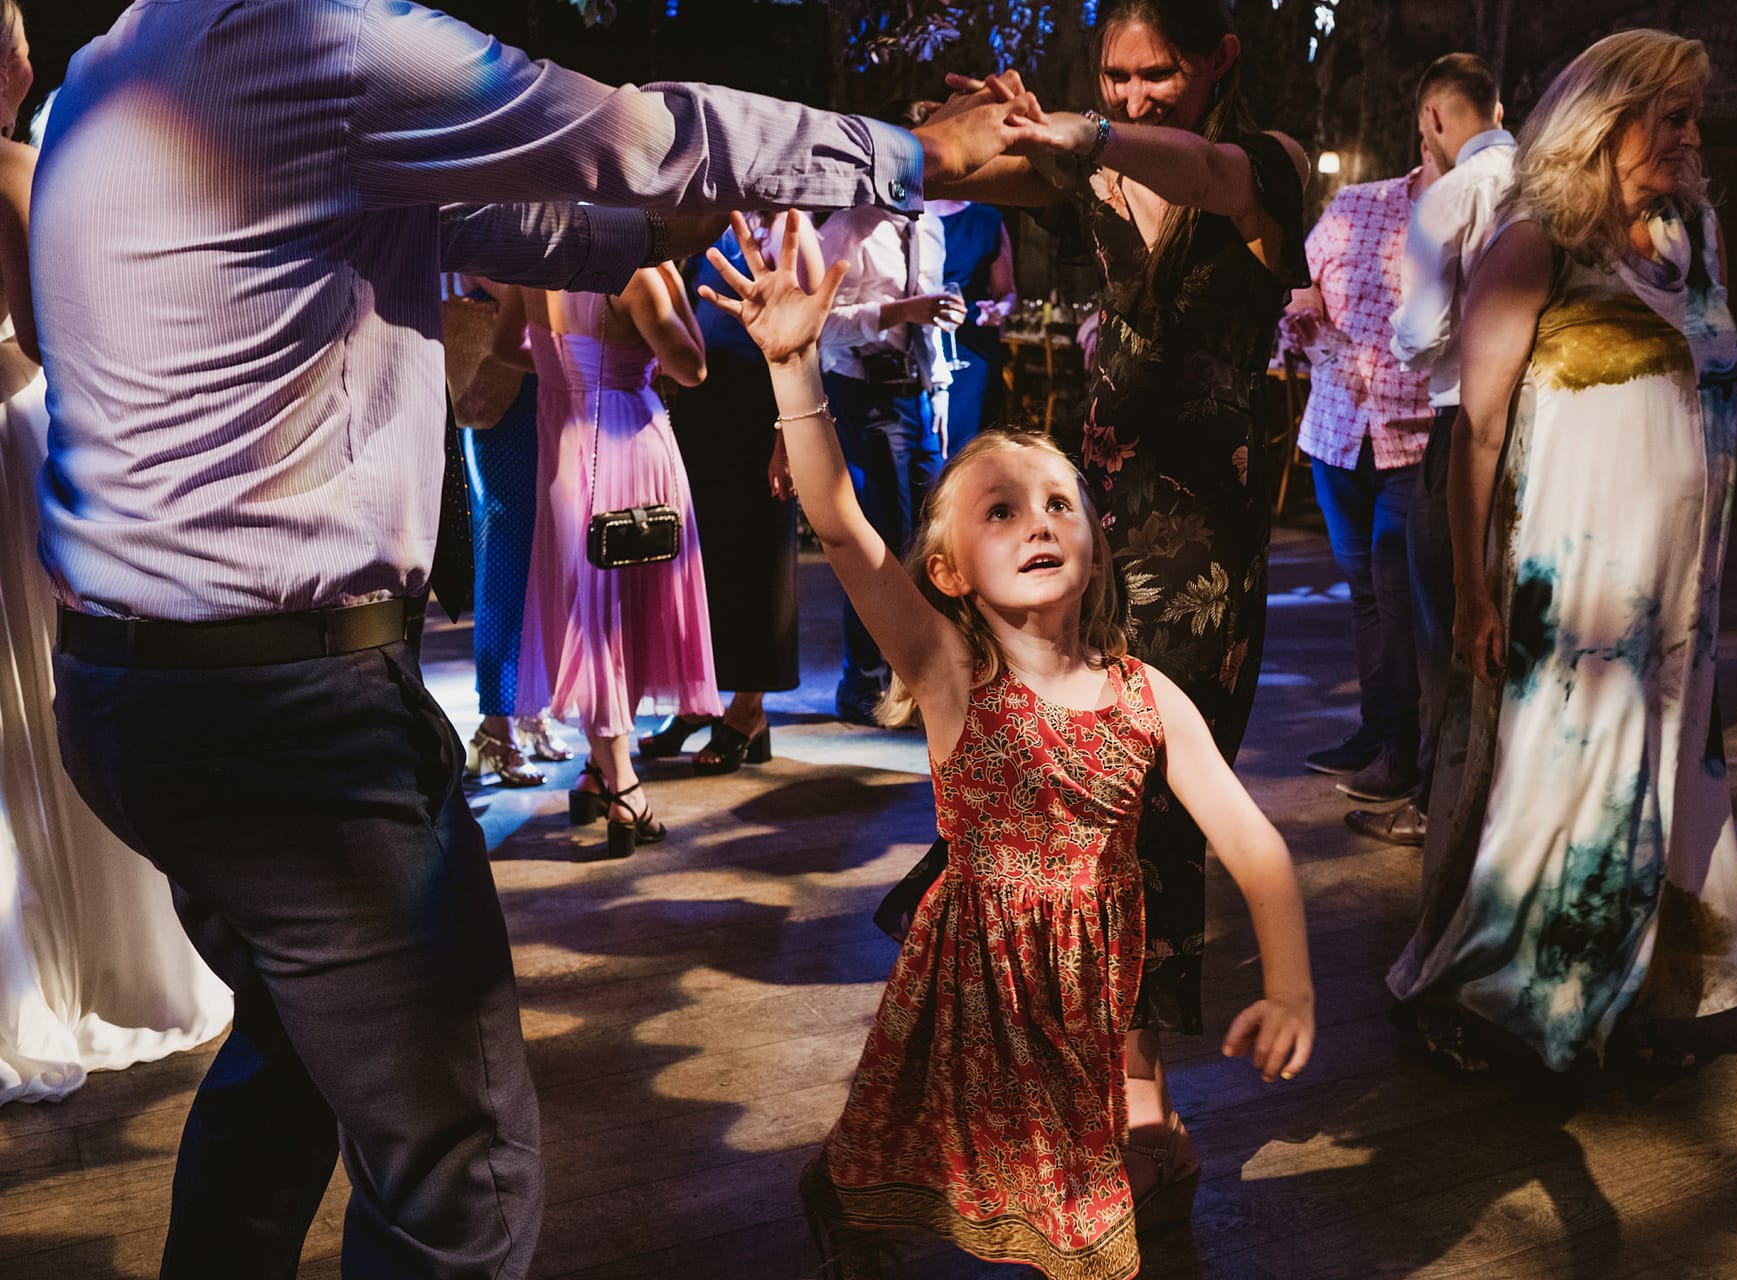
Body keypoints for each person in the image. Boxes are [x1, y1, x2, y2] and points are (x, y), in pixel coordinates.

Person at [32, 0, 1027, 1267]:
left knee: (288, 1058)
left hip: (129, 692)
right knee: (464, 1182)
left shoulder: (106, 70)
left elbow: (523, 218)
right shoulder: (315, 39)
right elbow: (639, 136)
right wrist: (916, 154)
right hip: (289, 718)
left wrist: (665, 223)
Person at [707, 208, 1313, 1280]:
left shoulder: (1149, 696)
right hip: (968, 979)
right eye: (1000, 510)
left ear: (1095, 545)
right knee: (906, 1134)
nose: (1037, 520)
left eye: (1058, 504)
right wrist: (795, 370)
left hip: (1086, 995)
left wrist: (1293, 984)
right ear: (946, 569)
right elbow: (841, 524)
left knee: (1074, 1194)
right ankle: (848, 1202)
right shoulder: (950, 672)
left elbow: (1256, 846)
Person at [924, 0, 1312, 1182]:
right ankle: (1073, 1060)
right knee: (1064, 785)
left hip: (1197, 551)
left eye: (1161, 73)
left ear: (1219, 60)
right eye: (1116, 75)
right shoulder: (1082, 176)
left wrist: (1087, 131)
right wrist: (951, 128)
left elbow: (1201, 170)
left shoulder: (1267, 164)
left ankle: (1139, 1087)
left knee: (1149, 811)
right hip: (1089, 520)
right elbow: (953, 167)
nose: (1137, 95)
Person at [1386, 29, 1737, 1075]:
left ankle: (1625, 990)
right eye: (1672, 116)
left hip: (1679, 583)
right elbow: (1478, 430)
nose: (1692, 136)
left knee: (1658, 777)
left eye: (1693, 116)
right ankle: (1490, 1000)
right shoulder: (1537, 239)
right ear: (1607, 115)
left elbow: (1712, 373)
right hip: (1572, 589)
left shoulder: (1692, 232)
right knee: (1559, 787)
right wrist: (1476, 591)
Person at [0, 0, 232, 1108]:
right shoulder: (13, 171)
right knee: (43, 700)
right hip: (12, 446)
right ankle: (95, 963)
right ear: (8, 66)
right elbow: (53, 335)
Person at [515, 266, 720, 853]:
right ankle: (625, 787)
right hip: (628, 438)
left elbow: (507, 348)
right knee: (616, 620)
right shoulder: (636, 277)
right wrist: (672, 279)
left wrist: (571, 375)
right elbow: (693, 368)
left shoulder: (532, 267)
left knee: (587, 612)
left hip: (563, 442)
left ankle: (596, 768)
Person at [1374, 53, 1516, 846]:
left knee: (1449, 625)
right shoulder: (1548, 180)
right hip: (1541, 424)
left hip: (1464, 421)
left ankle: (1437, 806)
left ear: (1431, 118)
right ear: (1498, 108)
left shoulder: (1451, 195)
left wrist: (1399, 333)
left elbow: (1425, 334)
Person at [1283, 152, 1438, 825]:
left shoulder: (1473, 214)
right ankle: (1376, 733)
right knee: (1366, 594)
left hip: (1417, 435)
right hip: (1338, 428)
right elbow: (1298, 283)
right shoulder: (1356, 205)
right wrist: (1304, 305)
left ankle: (1405, 750)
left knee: (1398, 592)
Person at [637, 214, 797, 775]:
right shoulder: (698, 228)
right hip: (702, 418)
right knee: (704, 570)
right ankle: (699, 700)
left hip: (759, 419)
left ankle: (748, 710)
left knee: (760, 566)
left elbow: (808, 341)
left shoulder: (789, 229)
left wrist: (787, 439)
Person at [814, 198, 964, 724]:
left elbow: (934, 325)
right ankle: (864, 685)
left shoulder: (932, 226)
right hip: (866, 395)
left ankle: (916, 681)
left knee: (932, 541)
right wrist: (900, 312)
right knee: (883, 543)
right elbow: (821, 325)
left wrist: (939, 391)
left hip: (918, 397)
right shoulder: (847, 228)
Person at [454, 278, 569, 788]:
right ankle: (495, 725)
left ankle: (530, 709)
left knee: (543, 562)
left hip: (547, 392)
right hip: (497, 397)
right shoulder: (494, 230)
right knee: (506, 563)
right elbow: (514, 287)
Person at [929, 196, 1018, 452]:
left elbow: (1007, 292)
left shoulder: (986, 219)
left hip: (971, 345)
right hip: (915, 338)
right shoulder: (904, 212)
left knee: (965, 441)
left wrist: (998, 311)